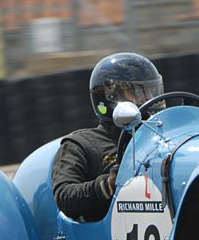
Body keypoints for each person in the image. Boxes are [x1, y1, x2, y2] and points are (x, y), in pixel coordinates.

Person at [52, 53, 164, 222]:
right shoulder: (81, 145)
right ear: (112, 97)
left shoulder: (160, 135)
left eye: (152, 92)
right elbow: (64, 196)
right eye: (140, 93)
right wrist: (107, 185)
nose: (149, 100)